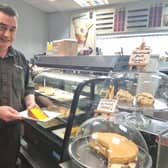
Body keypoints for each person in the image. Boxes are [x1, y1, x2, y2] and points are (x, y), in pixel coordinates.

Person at [0, 4, 37, 168]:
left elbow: (28, 87)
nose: (6, 34)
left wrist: (31, 103)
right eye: (1, 27)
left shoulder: (21, 59)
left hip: (13, 132)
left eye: (12, 29)